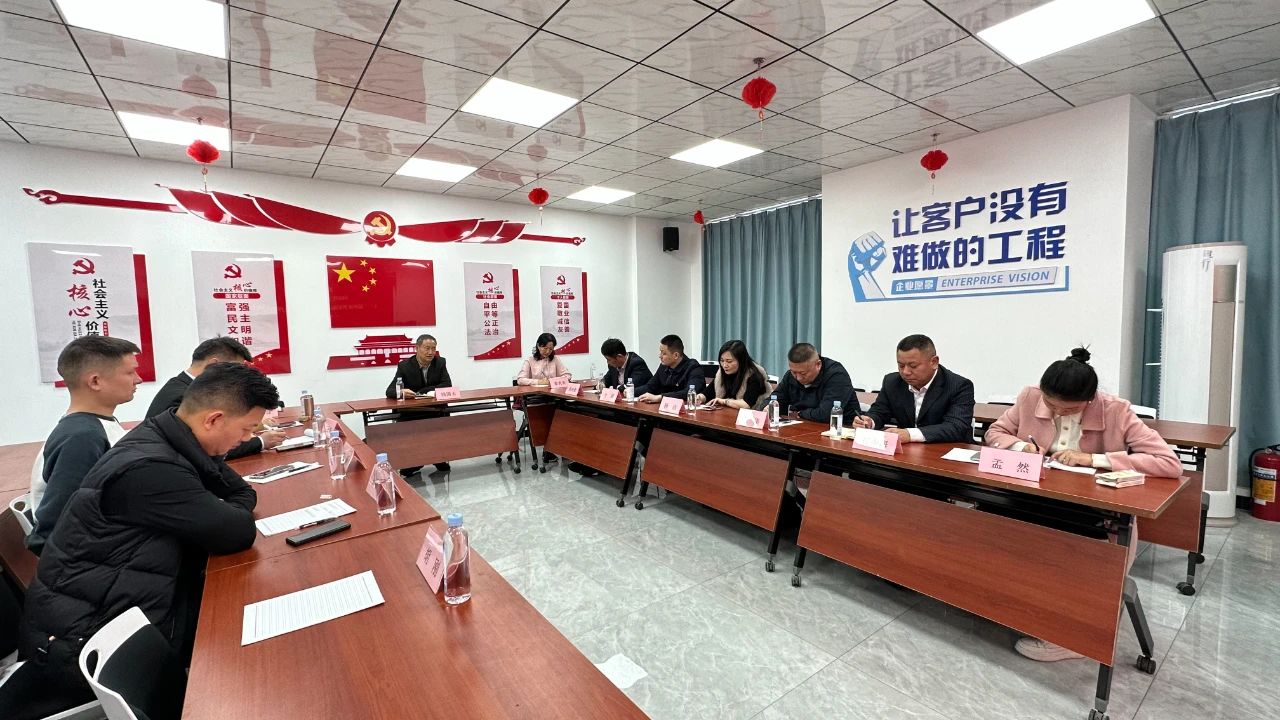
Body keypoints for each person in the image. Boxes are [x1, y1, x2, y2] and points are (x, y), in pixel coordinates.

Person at [7, 363, 275, 720]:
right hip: (81, 642)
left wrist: (224, 507)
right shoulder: (151, 466)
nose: (246, 439)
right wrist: (224, 509)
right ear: (213, 419)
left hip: (119, 603)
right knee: (249, 661)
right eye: (246, 429)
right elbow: (236, 531)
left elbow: (240, 493)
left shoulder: (169, 437)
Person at [985, 347, 1181, 663]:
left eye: (1069, 409)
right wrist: (1021, 447)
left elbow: (1169, 463)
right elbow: (995, 432)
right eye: (1051, 405)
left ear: (1089, 401)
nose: (1057, 413)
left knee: (1067, 552)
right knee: (989, 520)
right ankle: (1008, 603)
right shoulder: (1030, 397)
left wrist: (1094, 459)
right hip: (1033, 496)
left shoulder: (1116, 410)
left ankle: (1071, 635)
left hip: (1091, 510)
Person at [27, 336, 141, 556]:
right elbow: (58, 528)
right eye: (130, 373)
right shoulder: (82, 438)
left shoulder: (96, 425)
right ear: (95, 381)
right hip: (93, 561)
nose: (138, 379)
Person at [146, 337, 285, 458]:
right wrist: (261, 442)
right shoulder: (183, 395)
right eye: (234, 370)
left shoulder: (181, 384)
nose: (239, 376)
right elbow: (204, 447)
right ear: (213, 365)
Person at [853, 334, 975, 443]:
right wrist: (869, 421)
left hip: (947, 451)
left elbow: (956, 426)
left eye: (913, 366)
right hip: (908, 452)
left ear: (934, 362)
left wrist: (910, 434)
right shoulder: (892, 382)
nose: (906, 372)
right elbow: (880, 411)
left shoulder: (959, 386)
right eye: (901, 365)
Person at [384, 333, 452, 474]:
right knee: (414, 428)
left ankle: (438, 458)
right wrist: (401, 392)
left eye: (433, 348)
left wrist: (423, 391)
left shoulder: (440, 363)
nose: (430, 352)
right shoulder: (405, 366)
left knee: (440, 423)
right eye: (427, 348)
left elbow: (447, 385)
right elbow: (390, 391)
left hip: (434, 409)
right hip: (413, 411)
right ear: (417, 348)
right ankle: (414, 462)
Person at [773, 343, 854, 422]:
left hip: (841, 427)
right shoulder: (790, 376)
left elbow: (826, 413)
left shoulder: (836, 375)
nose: (798, 378)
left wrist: (801, 414)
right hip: (803, 424)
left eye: (803, 373)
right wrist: (768, 407)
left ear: (818, 365)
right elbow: (776, 398)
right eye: (794, 372)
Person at [695, 340, 771, 409]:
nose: (724, 365)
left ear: (741, 361)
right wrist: (700, 397)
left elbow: (746, 404)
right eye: (722, 361)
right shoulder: (722, 373)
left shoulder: (754, 375)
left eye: (729, 361)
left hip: (750, 416)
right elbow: (708, 393)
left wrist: (724, 401)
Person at [635, 334, 706, 402]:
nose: (660, 356)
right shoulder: (663, 366)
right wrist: (631, 391)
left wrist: (660, 397)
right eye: (660, 352)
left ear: (676, 355)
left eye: (664, 353)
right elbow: (650, 387)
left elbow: (689, 392)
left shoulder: (693, 367)